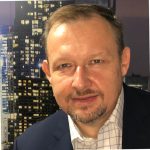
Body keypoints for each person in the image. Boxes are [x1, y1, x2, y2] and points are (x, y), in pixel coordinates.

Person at [13, 4, 150, 150]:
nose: (80, 83)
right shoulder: (29, 145)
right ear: (48, 73)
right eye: (65, 65)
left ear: (123, 62)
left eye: (96, 61)